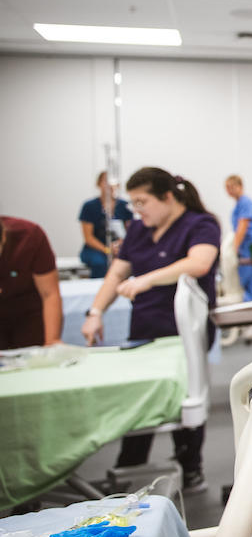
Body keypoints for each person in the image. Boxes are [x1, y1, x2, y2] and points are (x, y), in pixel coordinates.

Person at [81, 167, 220, 494]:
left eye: (143, 202)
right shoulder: (139, 231)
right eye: (134, 203)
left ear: (167, 197)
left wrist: (147, 278)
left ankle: (190, 467)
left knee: (183, 398)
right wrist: (95, 312)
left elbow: (198, 263)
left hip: (185, 331)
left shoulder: (201, 224)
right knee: (139, 396)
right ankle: (131, 464)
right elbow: (116, 276)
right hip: (145, 328)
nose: (137, 210)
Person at [0, 216, 63, 348]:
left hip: (28, 313)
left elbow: (49, 294)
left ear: (4, 238)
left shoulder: (30, 236)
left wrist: (52, 341)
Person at [78, 171, 134, 278]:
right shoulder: (89, 206)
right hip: (95, 249)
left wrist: (120, 245)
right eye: (105, 181)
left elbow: (131, 232)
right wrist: (107, 250)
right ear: (98, 184)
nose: (109, 184)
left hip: (119, 247)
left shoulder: (124, 206)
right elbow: (88, 238)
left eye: (112, 181)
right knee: (100, 263)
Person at [224, 174, 252, 301]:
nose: (229, 190)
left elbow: (242, 227)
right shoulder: (239, 204)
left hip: (249, 246)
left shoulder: (246, 202)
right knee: (248, 281)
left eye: (231, 187)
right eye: (227, 188)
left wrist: (234, 248)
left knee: (247, 280)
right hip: (245, 246)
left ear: (240, 186)